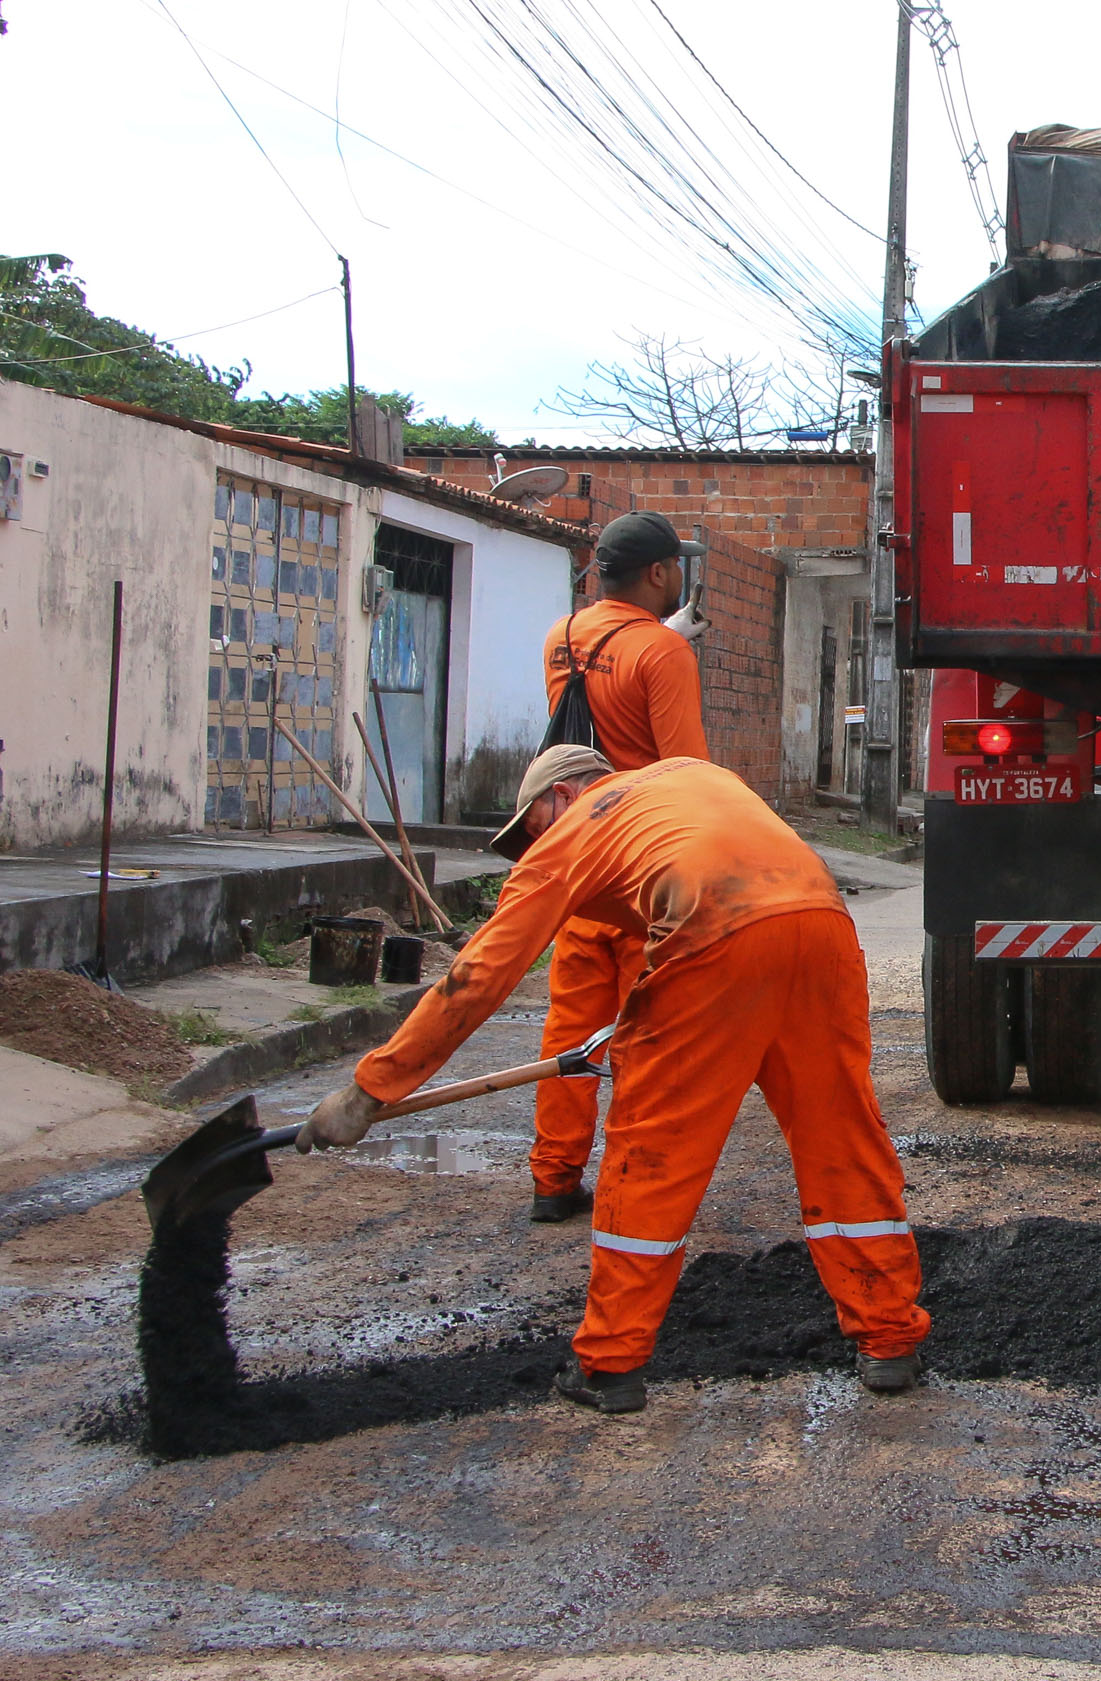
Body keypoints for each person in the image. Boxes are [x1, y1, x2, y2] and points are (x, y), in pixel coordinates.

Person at [295, 745, 930, 1410]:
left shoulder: (579, 826)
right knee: (841, 1137)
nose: (533, 843)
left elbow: (480, 975)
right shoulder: (692, 776)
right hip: (821, 924)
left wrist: (370, 1090)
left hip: (713, 931)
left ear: (563, 796)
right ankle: (889, 1339)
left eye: (531, 825)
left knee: (653, 1149)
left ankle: (610, 1360)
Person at [524, 511, 714, 1225]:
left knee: (571, 1027)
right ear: (661, 573)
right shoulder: (663, 657)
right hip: (644, 870)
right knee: (648, 1035)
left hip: (578, 856)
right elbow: (687, 774)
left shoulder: (560, 637)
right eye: (676, 570)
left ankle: (552, 1177)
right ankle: (634, 1184)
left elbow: (601, 693)